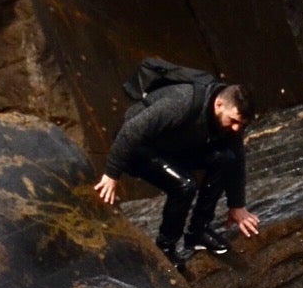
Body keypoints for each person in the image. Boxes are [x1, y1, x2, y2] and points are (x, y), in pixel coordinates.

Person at [91, 61, 262, 265]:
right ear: (219, 104)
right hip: (138, 148)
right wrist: (111, 175)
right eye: (233, 121)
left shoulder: (230, 123)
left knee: (225, 158)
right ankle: (166, 248)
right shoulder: (182, 102)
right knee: (185, 185)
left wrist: (237, 205)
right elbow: (130, 131)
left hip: (172, 146)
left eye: (241, 125)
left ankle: (198, 232)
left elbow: (237, 157)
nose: (236, 128)